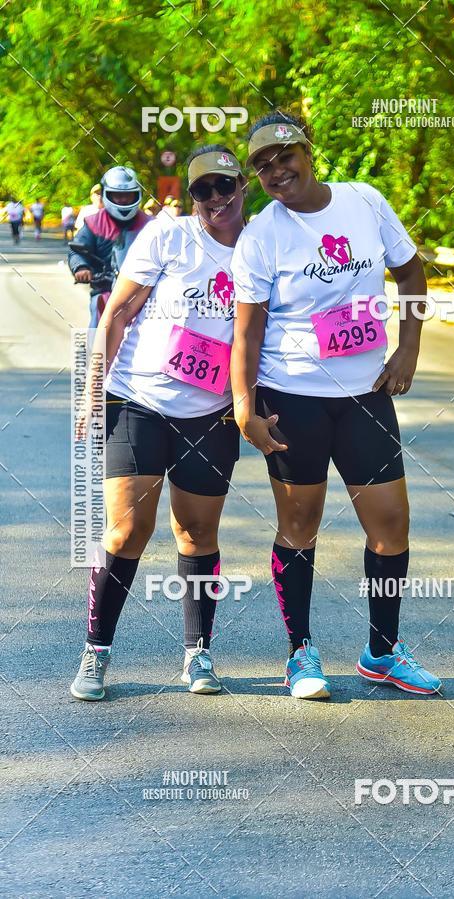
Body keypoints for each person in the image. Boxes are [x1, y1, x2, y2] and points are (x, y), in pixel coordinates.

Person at [231, 112, 442, 700]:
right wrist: (245, 408)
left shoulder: (364, 201)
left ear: (309, 150)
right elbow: (246, 333)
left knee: (391, 524)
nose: (277, 171)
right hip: (292, 397)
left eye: (285, 156)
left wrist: (408, 348)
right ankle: (300, 653)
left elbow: (411, 273)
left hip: (366, 395)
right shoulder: (262, 235)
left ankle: (383, 652)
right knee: (299, 526)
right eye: (263, 166)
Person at [70, 145, 246, 702]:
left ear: (243, 186)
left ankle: (198, 653)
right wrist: (92, 392)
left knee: (197, 533)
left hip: (212, 413)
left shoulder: (260, 245)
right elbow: (117, 312)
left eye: (224, 185)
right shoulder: (167, 235)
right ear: (190, 196)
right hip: (139, 400)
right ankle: (96, 650)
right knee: (126, 532)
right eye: (202, 190)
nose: (215, 198)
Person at [67, 167, 149, 327]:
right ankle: (94, 343)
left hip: (143, 291)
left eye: (128, 195)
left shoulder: (151, 224)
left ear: (137, 194)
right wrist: (81, 267)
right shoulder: (93, 223)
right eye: (118, 195)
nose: (123, 200)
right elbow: (77, 251)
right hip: (105, 287)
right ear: (106, 194)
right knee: (97, 320)